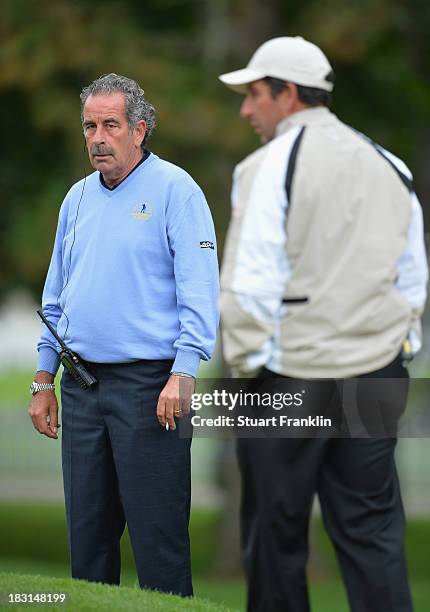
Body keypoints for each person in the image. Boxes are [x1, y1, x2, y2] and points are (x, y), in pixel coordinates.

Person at [218, 37, 427, 611]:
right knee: (373, 534)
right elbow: (413, 280)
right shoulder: (391, 164)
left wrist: (246, 370)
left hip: (286, 377)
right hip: (377, 375)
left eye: (255, 94)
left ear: (287, 94)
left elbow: (249, 283)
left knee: (275, 534)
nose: (246, 109)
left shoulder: (265, 167)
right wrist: (396, 351)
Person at [28, 73, 219, 596]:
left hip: (152, 389)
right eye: (89, 125)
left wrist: (185, 370)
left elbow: (200, 291)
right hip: (81, 388)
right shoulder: (77, 197)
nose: (97, 137)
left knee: (159, 546)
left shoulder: (177, 191)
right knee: (87, 544)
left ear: (139, 129)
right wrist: (43, 380)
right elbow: (55, 298)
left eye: (110, 125)